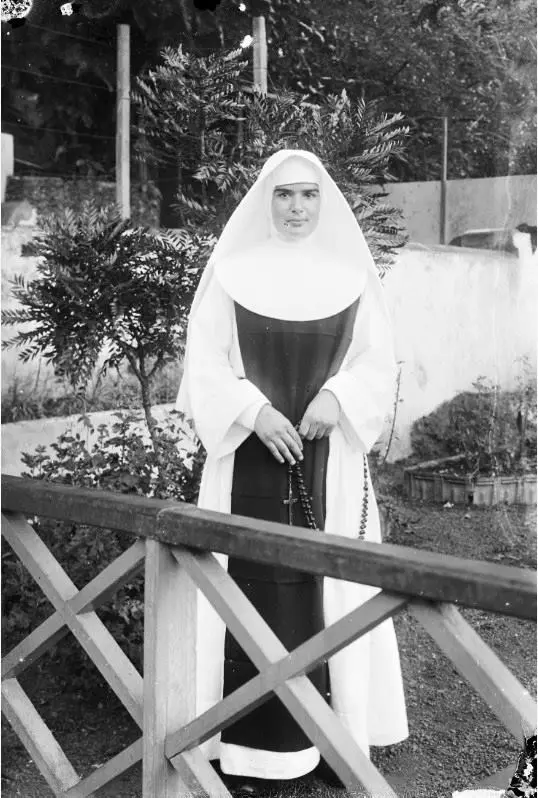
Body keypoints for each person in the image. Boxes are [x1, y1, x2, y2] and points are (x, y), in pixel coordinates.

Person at [176, 149, 408, 791]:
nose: (297, 207)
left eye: (308, 195)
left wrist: (338, 398)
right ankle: (241, 746)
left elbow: (375, 362)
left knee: (328, 585)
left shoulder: (350, 276)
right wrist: (254, 411)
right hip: (248, 459)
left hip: (330, 467)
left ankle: (335, 738)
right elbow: (206, 364)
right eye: (284, 196)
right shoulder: (232, 273)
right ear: (265, 202)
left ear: (323, 202)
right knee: (244, 587)